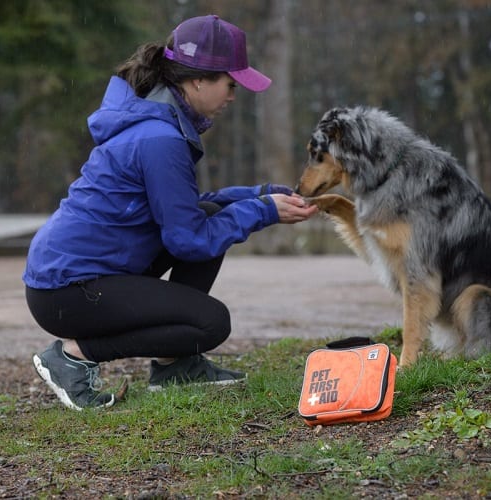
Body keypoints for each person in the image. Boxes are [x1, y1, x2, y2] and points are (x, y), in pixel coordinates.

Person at [24, 15, 318, 411]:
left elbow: (184, 209)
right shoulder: (160, 139)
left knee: (211, 211)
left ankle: (173, 365)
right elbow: (189, 240)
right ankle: (74, 355)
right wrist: (262, 212)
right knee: (210, 323)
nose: (233, 95)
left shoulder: (158, 125)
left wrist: (259, 195)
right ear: (198, 80)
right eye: (231, 84)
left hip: (81, 275)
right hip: (67, 289)